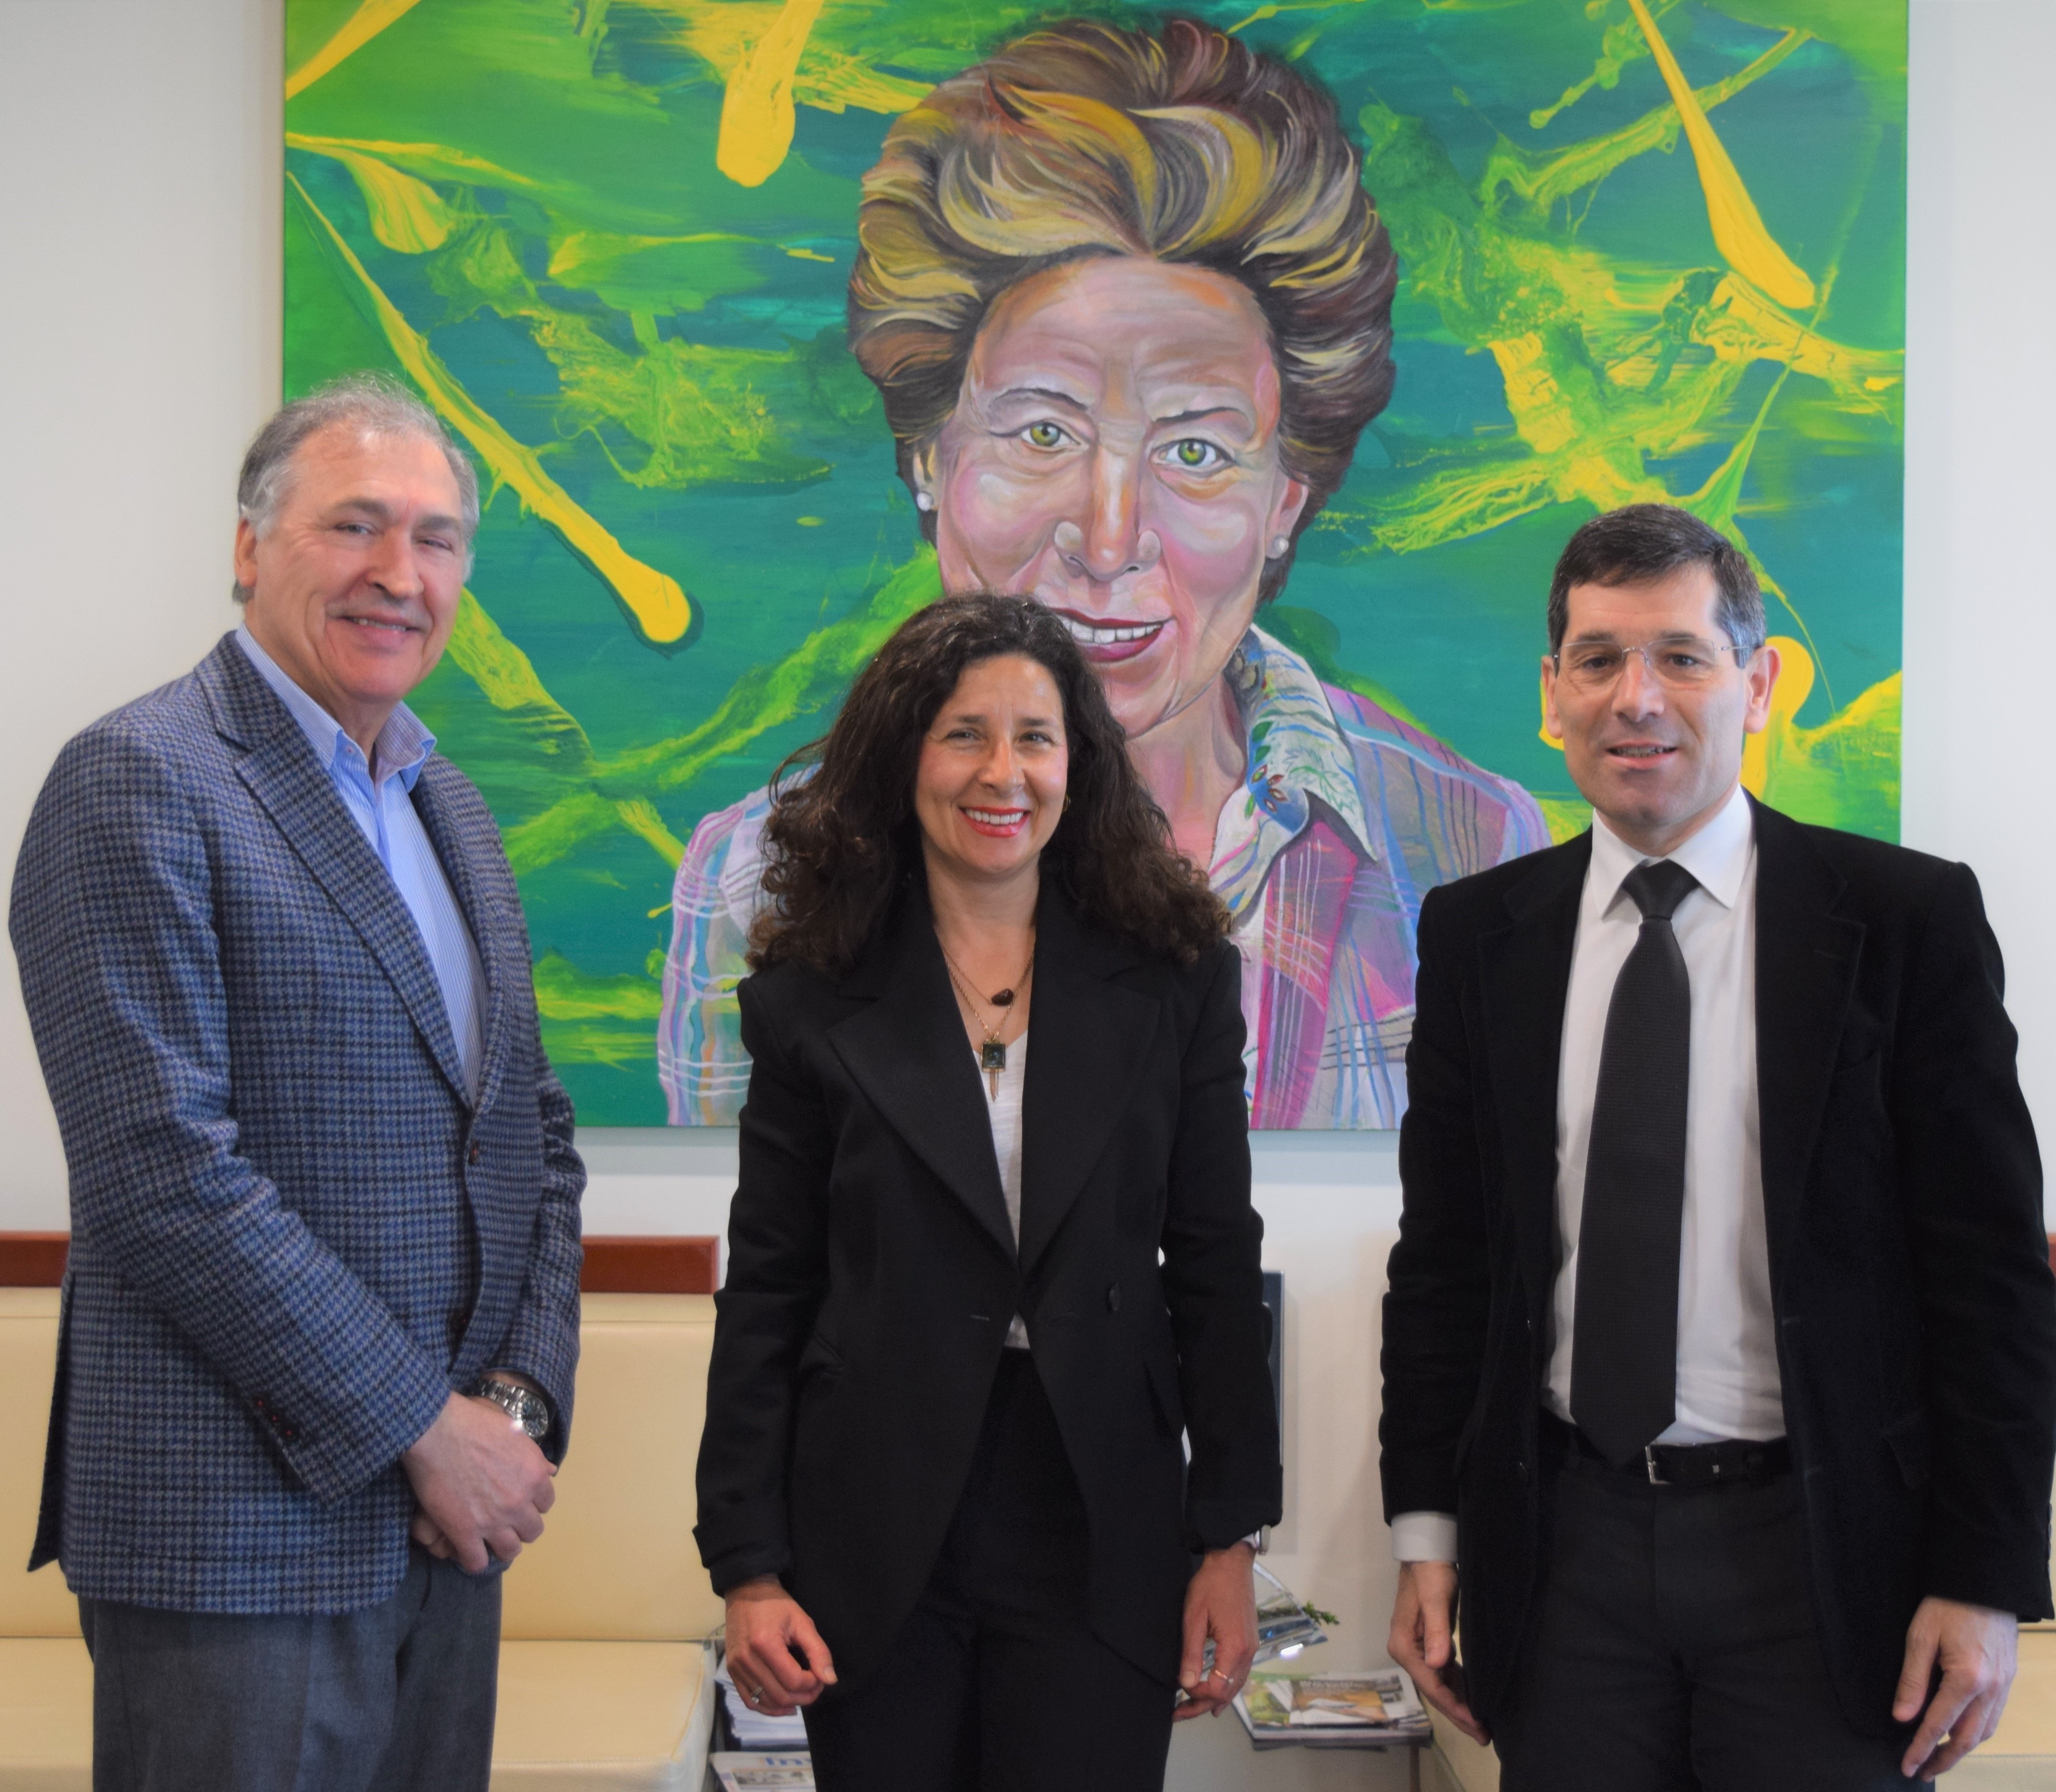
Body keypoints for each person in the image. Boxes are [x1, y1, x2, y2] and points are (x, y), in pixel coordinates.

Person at [660, 17, 1547, 1132]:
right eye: (1042, 433)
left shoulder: (1472, 845)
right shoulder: (758, 878)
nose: (1111, 535)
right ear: (929, 458)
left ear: (1285, 503)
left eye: (1197, 451)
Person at [1379, 503, 2056, 1788]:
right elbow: (1446, 1266)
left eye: (1681, 656)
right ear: (1551, 693)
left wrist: (1983, 1575)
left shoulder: (1902, 921)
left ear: (1758, 683)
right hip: (1566, 1553)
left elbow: (1992, 1281)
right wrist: (1426, 1532)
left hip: (1823, 1553)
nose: (1636, 697)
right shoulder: (1480, 935)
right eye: (1598, 659)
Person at [9, 374, 586, 1791]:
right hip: (234, 1542)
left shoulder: (452, 805)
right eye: (355, 524)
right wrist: (425, 1429)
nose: (400, 572)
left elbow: (533, 1136)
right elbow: (164, 1175)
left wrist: (510, 1409)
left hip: (449, 1538)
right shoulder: (137, 778)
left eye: (437, 539)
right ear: (249, 545)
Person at [693, 593, 1280, 1788]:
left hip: (1098, 1509)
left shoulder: (1175, 983)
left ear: (1078, 764)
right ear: (902, 755)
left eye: (1035, 737)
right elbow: (769, 1287)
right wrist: (747, 1561)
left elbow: (1215, 1264)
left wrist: (1229, 1536)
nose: (1002, 772)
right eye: (963, 733)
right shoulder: (809, 996)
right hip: (875, 1514)